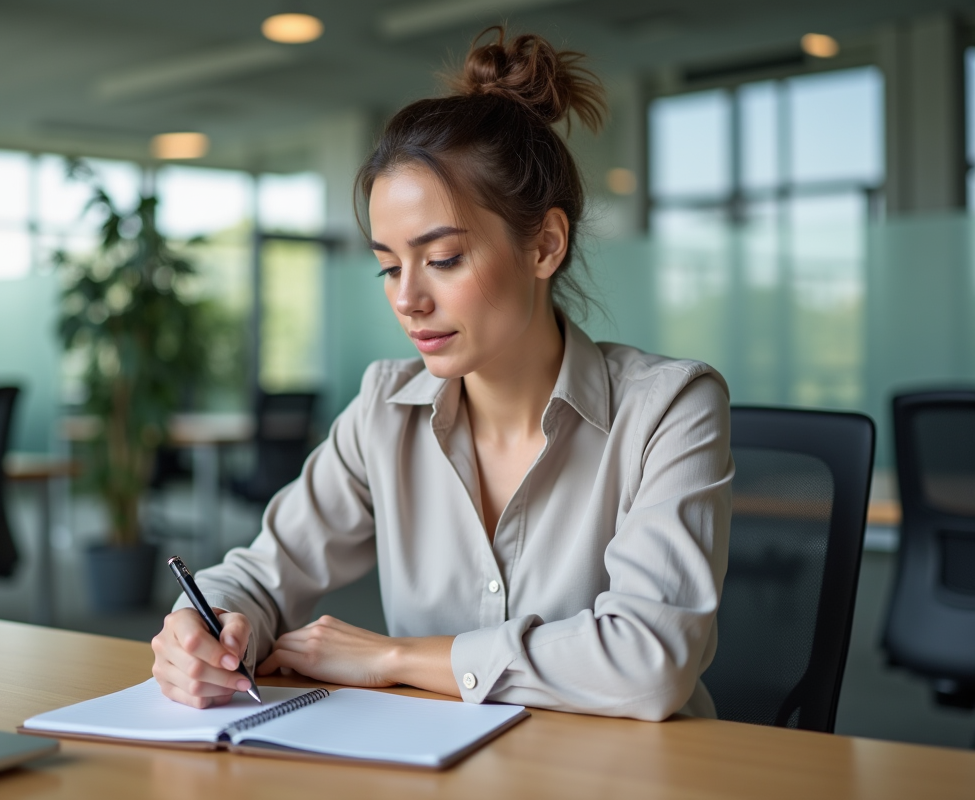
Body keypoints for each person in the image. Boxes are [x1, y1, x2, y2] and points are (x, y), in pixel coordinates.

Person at [151, 28, 733, 721]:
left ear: (544, 244)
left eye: (445, 258)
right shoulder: (384, 409)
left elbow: (649, 663)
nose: (407, 299)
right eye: (390, 266)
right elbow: (263, 574)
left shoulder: (670, 407)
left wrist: (394, 657)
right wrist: (208, 625)